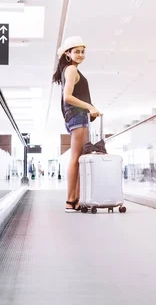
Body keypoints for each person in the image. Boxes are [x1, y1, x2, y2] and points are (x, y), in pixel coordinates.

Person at [52, 36, 100, 212]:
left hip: (76, 117)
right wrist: (90, 106)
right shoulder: (71, 69)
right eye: (76, 51)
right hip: (77, 117)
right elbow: (68, 97)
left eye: (82, 51)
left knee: (78, 159)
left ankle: (76, 199)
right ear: (67, 53)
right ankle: (71, 200)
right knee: (75, 158)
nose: (80, 54)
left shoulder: (70, 69)